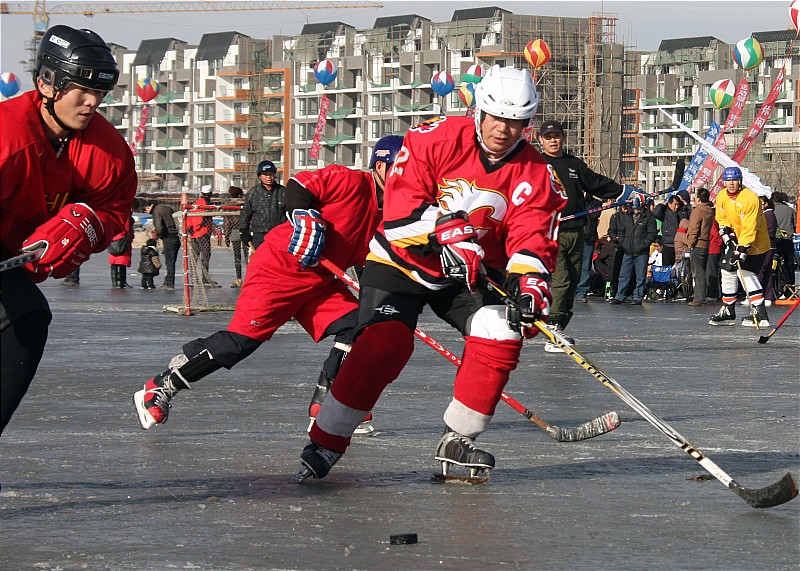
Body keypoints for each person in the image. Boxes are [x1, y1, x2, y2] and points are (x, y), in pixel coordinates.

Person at [297, 65, 567, 483]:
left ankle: (459, 439)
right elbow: (399, 211)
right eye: (496, 118)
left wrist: (530, 280)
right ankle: (327, 439)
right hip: (401, 260)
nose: (503, 130)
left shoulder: (536, 174)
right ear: (479, 111)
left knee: (501, 329)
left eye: (515, 123)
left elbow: (531, 234)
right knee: (383, 345)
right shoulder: (433, 137)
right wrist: (444, 228)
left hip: (465, 272)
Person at [131, 135, 404, 434]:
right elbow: (300, 185)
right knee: (241, 343)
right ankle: (161, 385)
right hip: (279, 269)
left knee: (362, 327)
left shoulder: (393, 214)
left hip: (321, 281)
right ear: (381, 166)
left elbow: (372, 261)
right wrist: (303, 214)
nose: (411, 179)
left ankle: (328, 403)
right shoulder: (349, 181)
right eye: (405, 170)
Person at [0, 25, 136, 434]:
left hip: (12, 262)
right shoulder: (7, 137)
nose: (92, 102)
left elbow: (115, 205)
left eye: (100, 93)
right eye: (82, 90)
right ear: (47, 83)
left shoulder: (108, 151)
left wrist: (89, 227)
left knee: (28, 319)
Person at [536, 119, 633, 350]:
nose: (553, 140)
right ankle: (552, 327)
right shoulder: (535, 164)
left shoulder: (573, 164)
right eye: (548, 137)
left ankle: (560, 326)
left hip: (576, 231)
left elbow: (596, 183)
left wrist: (623, 192)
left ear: (562, 137)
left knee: (575, 280)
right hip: (550, 232)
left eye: (556, 136)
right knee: (561, 280)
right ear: (540, 140)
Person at [709, 167, 771, 327]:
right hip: (737, 239)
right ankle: (728, 309)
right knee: (726, 269)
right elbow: (721, 218)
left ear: (740, 181)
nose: (731, 183)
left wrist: (742, 248)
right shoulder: (722, 196)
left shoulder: (750, 198)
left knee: (746, 272)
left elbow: (750, 227)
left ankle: (759, 311)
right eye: (728, 180)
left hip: (755, 242)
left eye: (734, 180)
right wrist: (727, 234)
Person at [608, 193, 657, 305]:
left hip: (641, 252)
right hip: (627, 250)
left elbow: (652, 233)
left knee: (640, 276)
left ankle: (637, 296)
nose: (635, 211)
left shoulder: (648, 217)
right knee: (623, 275)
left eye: (637, 208)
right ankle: (620, 295)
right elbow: (621, 230)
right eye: (634, 208)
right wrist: (622, 242)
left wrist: (643, 244)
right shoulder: (627, 216)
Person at [240, 160, 286, 252]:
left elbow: (290, 213)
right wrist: (244, 231)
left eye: (271, 174)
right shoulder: (253, 192)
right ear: (260, 176)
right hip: (259, 235)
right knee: (260, 263)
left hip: (279, 234)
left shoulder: (283, 192)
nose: (268, 177)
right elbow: (245, 213)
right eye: (265, 174)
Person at [686, 188, 713, 306]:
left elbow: (694, 229)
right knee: (703, 270)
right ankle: (701, 296)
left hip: (697, 244)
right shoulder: (710, 210)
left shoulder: (697, 211)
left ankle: (698, 298)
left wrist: (690, 243)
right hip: (706, 243)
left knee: (698, 272)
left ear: (698, 199)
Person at [145, 199, 180, 290]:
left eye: (146, 208)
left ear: (151, 206)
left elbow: (159, 226)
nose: (146, 211)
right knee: (172, 260)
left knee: (169, 262)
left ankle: (169, 283)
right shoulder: (166, 208)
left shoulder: (156, 211)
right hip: (176, 236)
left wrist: (158, 235)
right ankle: (168, 281)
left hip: (168, 236)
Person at [186, 185, 215, 285]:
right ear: (210, 194)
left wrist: (191, 229)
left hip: (194, 233)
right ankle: (204, 278)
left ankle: (194, 278)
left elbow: (190, 218)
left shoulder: (196, 203)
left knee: (195, 256)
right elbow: (201, 218)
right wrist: (197, 228)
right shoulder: (206, 204)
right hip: (202, 232)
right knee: (206, 255)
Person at [772, 191, 797, 296]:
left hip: (775, 241)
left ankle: (775, 289)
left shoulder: (771, 211)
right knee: (789, 265)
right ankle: (790, 288)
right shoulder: (790, 210)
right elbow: (794, 225)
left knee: (774, 265)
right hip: (787, 241)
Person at [653, 194, 689, 267]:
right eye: (674, 204)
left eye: (678, 204)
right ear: (669, 204)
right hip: (668, 243)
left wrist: (685, 204)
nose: (676, 207)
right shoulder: (665, 212)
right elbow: (656, 213)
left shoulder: (682, 211)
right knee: (667, 266)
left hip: (680, 244)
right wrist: (662, 204)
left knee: (680, 266)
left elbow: (689, 216)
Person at [224, 186, 245, 288]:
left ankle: (239, 278)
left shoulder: (228, 205)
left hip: (234, 230)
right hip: (246, 230)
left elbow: (227, 222)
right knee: (248, 255)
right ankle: (250, 277)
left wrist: (226, 236)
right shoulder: (246, 203)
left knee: (237, 256)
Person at [108, 214, 134, 288]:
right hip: (122, 240)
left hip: (115, 239)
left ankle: (115, 282)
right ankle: (121, 281)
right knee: (122, 263)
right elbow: (127, 228)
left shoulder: (113, 215)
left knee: (115, 263)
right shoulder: (126, 215)